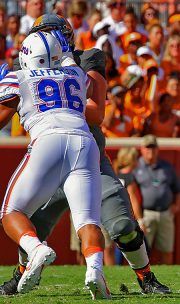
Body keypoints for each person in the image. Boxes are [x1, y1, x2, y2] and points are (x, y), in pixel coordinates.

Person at [0, 14, 171, 296]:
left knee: (122, 225)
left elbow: (98, 113)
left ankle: (146, 277)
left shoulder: (86, 60)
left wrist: (50, 102)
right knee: (37, 224)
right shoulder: (34, 68)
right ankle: (21, 276)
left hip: (83, 154)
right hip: (73, 151)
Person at [0, 31, 110, 298]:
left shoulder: (19, 77)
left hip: (48, 141)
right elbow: (92, 90)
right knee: (88, 220)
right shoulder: (75, 75)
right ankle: (94, 270)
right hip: (85, 143)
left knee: (10, 211)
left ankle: (36, 249)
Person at [134, 135, 180, 264]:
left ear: (158, 149)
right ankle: (144, 277)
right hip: (145, 214)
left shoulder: (166, 167)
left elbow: (178, 189)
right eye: (147, 147)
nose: (150, 150)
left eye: (153, 147)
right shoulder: (136, 166)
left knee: (167, 250)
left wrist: (176, 205)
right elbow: (131, 193)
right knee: (142, 250)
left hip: (165, 213)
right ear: (142, 149)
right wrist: (138, 217)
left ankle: (168, 278)